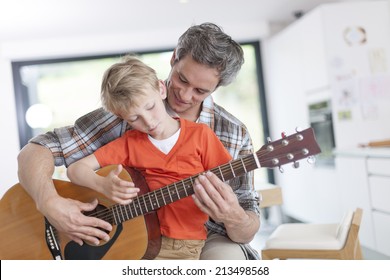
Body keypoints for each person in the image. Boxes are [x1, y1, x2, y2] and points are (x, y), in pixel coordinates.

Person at [17, 22, 261, 260]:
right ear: (174, 58)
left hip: (205, 237)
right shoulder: (128, 109)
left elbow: (247, 221)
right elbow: (37, 150)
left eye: (200, 91)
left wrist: (235, 216)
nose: (185, 96)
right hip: (132, 235)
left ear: (217, 87)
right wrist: (48, 202)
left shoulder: (233, 132)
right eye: (182, 80)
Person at [66, 55, 233, 259]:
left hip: (183, 245)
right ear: (122, 117)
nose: (149, 121)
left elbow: (226, 179)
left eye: (150, 107)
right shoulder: (129, 143)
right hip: (135, 241)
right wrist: (101, 185)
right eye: (134, 118)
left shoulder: (201, 135)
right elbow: (75, 169)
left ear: (161, 89)